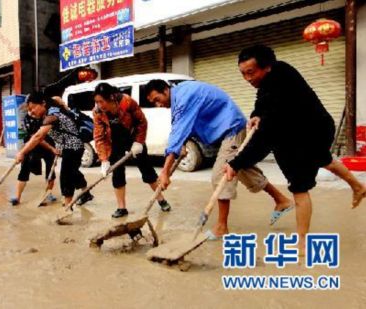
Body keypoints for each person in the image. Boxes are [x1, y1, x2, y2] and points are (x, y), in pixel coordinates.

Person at [225, 44, 366, 250]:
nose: (247, 79)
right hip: (293, 131)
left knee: (300, 186)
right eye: (243, 74)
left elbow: (265, 137)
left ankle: (301, 241)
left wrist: (236, 163)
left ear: (267, 67)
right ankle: (358, 187)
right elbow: (262, 101)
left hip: (312, 130)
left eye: (251, 72)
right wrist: (256, 114)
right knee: (323, 159)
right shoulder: (272, 76)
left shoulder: (281, 83)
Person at [144, 79, 293, 239]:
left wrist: (165, 171)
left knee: (220, 175)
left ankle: (222, 227)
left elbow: (178, 130)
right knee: (241, 169)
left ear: (165, 90)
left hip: (232, 128)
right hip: (227, 129)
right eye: (153, 103)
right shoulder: (179, 96)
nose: (158, 105)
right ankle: (281, 200)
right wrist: (182, 145)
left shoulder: (185, 96)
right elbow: (182, 126)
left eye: (157, 100)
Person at [93, 82, 171, 218]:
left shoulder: (127, 102)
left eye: (101, 101)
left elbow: (142, 122)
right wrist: (104, 160)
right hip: (115, 141)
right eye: (97, 102)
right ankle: (121, 208)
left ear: (111, 97)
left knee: (147, 170)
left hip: (134, 137)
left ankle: (161, 200)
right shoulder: (98, 112)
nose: (99, 105)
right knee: (117, 174)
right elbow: (99, 137)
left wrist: (139, 142)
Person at [15, 91, 94, 207]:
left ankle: (67, 207)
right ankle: (85, 193)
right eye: (29, 110)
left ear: (43, 103)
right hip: (69, 147)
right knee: (73, 172)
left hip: (73, 147)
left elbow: (38, 137)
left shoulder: (52, 115)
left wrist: (21, 152)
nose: (31, 112)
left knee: (66, 176)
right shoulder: (49, 112)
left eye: (33, 108)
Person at [10, 113, 58, 206]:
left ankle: (48, 194)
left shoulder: (48, 116)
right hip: (32, 146)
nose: (32, 111)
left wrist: (55, 148)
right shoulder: (27, 120)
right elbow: (37, 138)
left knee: (51, 171)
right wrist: (21, 152)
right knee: (24, 171)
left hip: (49, 145)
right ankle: (17, 197)